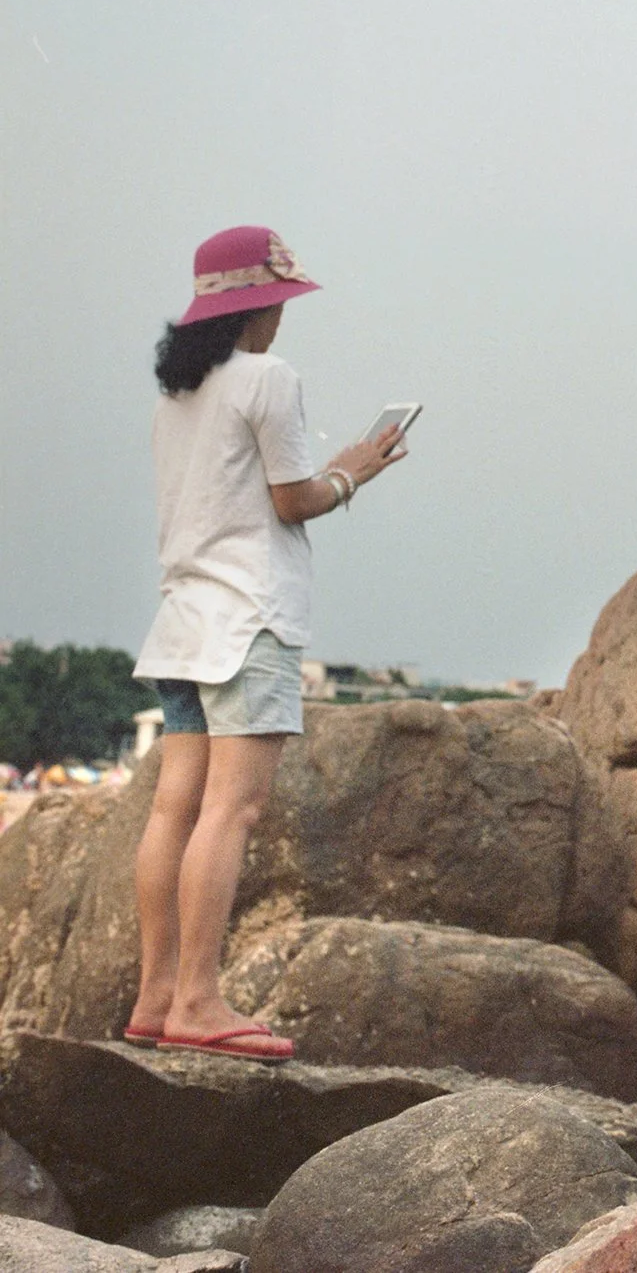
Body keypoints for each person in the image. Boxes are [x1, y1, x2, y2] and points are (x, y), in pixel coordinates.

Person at [130, 227, 409, 1060]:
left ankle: (155, 995)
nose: (284, 317)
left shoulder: (176, 395)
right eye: (281, 301)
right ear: (260, 304)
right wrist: (359, 467)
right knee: (234, 808)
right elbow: (294, 500)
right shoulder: (267, 379)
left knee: (174, 807)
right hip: (251, 621)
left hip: (182, 623)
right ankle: (200, 999)